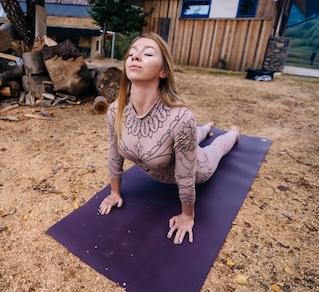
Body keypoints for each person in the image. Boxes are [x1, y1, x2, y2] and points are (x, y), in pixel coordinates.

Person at [98, 32, 240, 245]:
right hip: (178, 144)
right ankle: (206, 127)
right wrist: (115, 192)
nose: (135, 57)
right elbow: (114, 153)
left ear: (163, 71)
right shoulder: (114, 112)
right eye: (132, 54)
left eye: (147, 53)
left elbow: (185, 177)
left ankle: (233, 133)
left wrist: (187, 216)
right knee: (196, 134)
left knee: (216, 149)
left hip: (197, 168)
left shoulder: (181, 118)